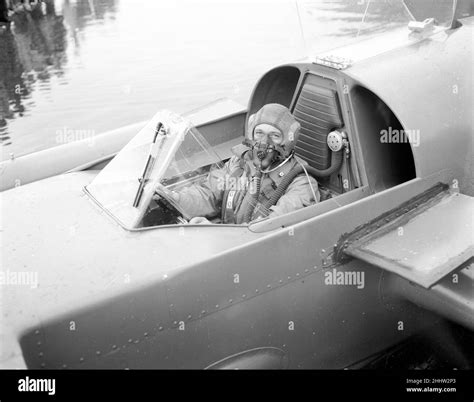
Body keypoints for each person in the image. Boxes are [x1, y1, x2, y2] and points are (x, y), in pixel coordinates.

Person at [156, 103, 319, 224]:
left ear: (287, 141)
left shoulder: (301, 183)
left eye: (274, 136)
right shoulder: (239, 162)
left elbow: (269, 228)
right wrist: (176, 198)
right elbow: (210, 194)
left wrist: (213, 232)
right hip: (225, 239)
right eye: (259, 133)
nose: (264, 142)